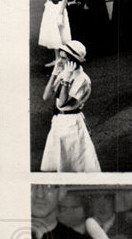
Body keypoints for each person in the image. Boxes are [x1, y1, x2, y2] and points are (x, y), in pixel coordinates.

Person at [40, 40, 101, 173]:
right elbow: (46, 96)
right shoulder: (64, 72)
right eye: (59, 57)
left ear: (73, 61)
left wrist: (66, 80)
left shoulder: (83, 80)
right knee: (59, 160)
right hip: (58, 122)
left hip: (72, 124)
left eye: (63, 58)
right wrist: (54, 74)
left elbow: (62, 103)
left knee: (75, 162)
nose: (59, 61)